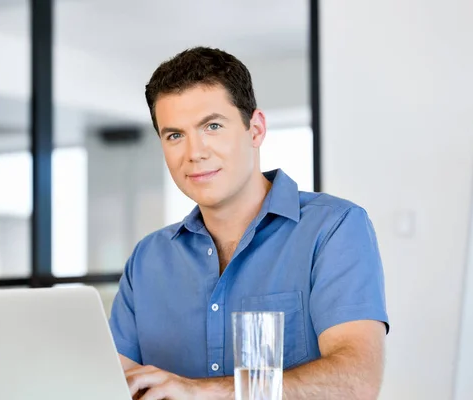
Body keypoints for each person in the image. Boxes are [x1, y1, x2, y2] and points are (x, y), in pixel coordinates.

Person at [109, 46, 389, 399]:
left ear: (255, 129)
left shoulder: (334, 229)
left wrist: (202, 392)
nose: (195, 152)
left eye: (212, 126)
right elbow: (111, 383)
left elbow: (356, 381)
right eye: (175, 135)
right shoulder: (147, 260)